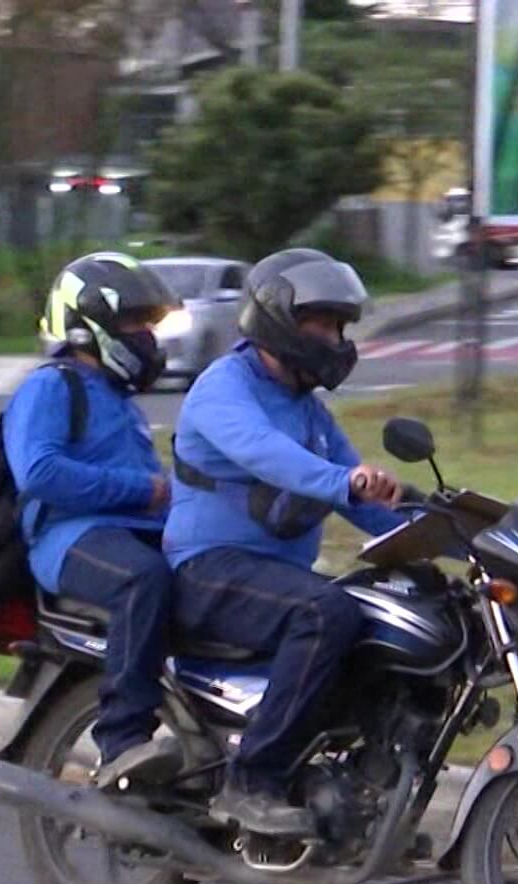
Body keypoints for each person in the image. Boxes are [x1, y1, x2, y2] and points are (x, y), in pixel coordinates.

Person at [163, 248, 407, 837]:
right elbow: (267, 456)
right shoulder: (223, 387)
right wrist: (345, 482)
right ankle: (252, 781)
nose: (334, 338)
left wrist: (463, 539)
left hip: (271, 576)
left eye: (340, 326)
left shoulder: (308, 409)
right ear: (277, 318)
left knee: (389, 617)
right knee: (326, 611)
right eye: (320, 322)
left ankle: (360, 787)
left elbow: (368, 506)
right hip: (207, 570)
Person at [3, 252, 184, 789]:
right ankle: (122, 742)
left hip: (134, 533)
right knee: (142, 580)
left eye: (149, 325)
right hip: (71, 538)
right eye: (134, 323)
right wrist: (142, 490)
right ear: (87, 327)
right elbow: (38, 472)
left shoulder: (116, 397)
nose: (147, 337)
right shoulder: (51, 386)